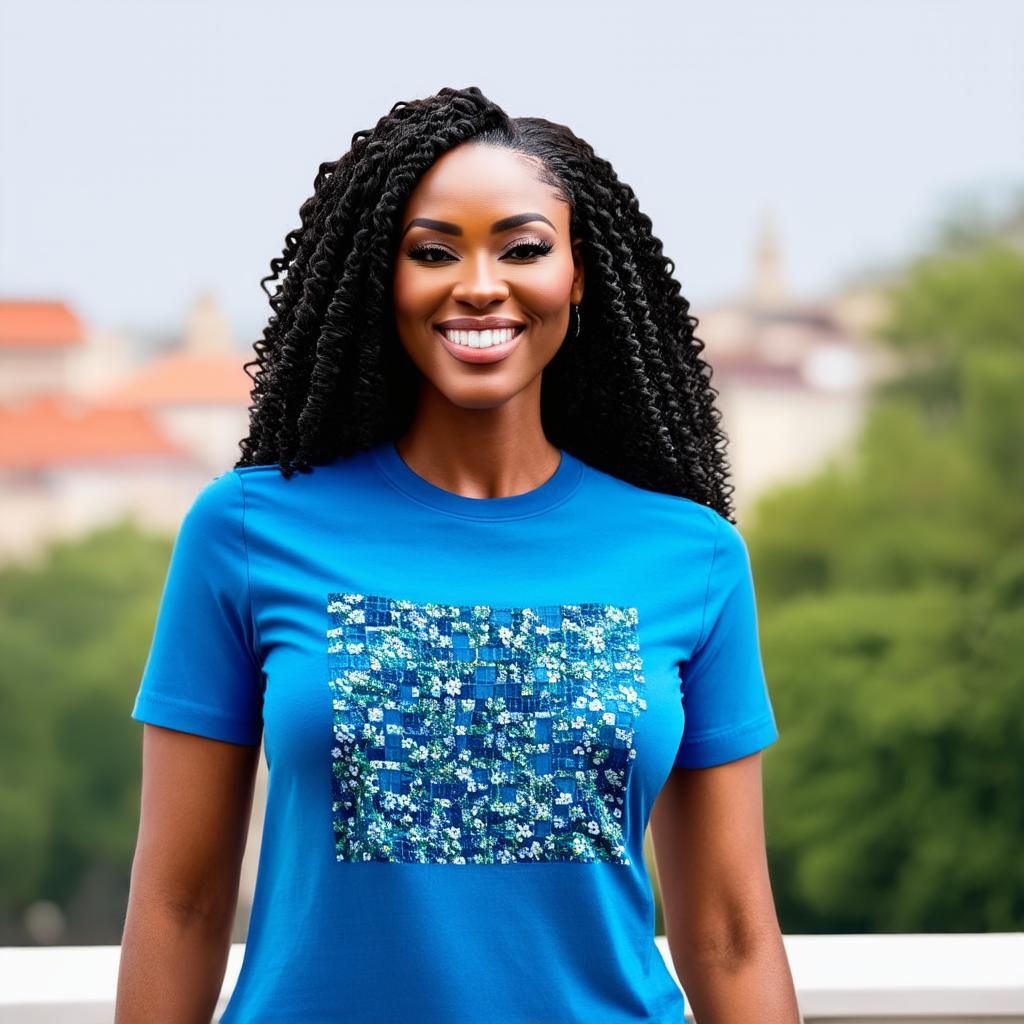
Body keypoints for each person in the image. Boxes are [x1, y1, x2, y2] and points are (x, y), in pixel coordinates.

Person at [116, 85, 801, 1024]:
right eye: (433, 251)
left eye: (523, 248)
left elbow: (728, 933)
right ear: (380, 279)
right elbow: (180, 905)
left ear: (580, 275)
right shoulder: (243, 532)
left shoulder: (693, 556)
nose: (479, 283)